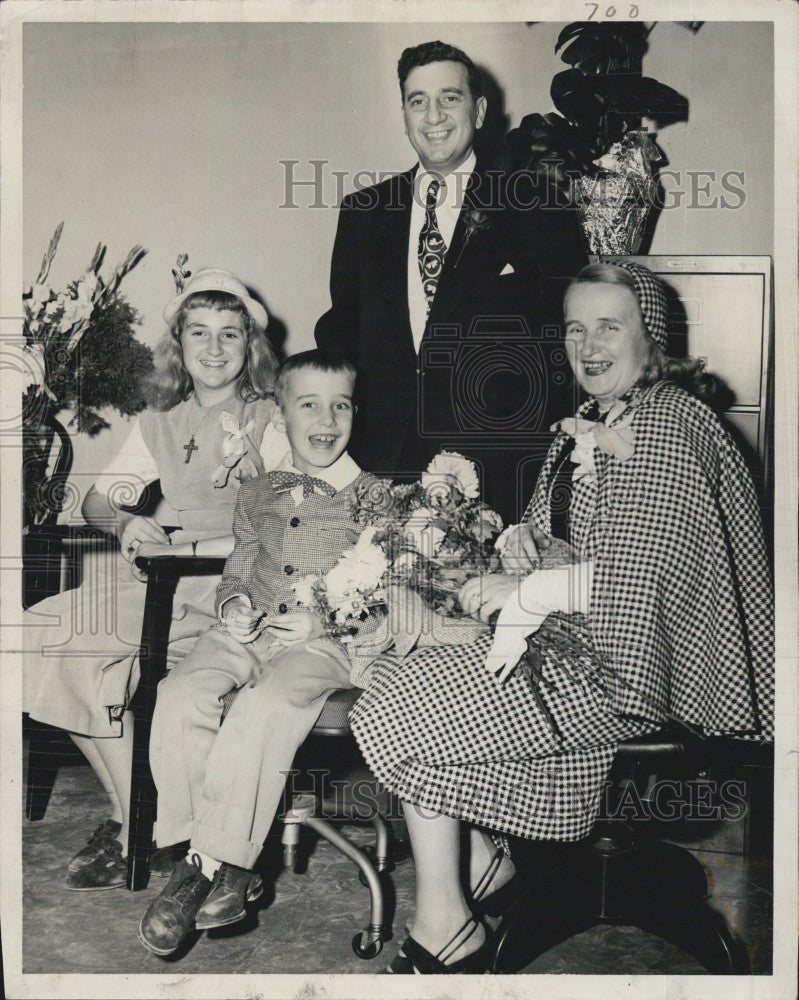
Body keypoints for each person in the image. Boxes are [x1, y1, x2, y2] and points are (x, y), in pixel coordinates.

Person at [349, 261, 774, 974]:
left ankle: (451, 917)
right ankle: (474, 875)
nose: (588, 344)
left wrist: (523, 593)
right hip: (579, 648)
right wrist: (525, 546)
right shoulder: (598, 420)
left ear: (651, 339)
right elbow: (590, 548)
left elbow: (649, 583)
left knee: (396, 711)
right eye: (576, 327)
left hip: (636, 674)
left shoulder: (669, 422)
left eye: (609, 326)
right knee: (396, 679)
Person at [23, 268, 286, 890]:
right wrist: (127, 523)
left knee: (65, 646)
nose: (214, 349)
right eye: (200, 333)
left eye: (230, 335)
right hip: (158, 579)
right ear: (179, 345)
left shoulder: (271, 417)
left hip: (228, 588)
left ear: (251, 348)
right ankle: (131, 819)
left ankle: (137, 827)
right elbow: (96, 502)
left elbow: (291, 518)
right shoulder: (158, 422)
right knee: (38, 643)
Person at [137, 349, 389, 957]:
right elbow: (241, 565)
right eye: (309, 404)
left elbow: (389, 589)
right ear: (280, 416)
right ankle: (207, 860)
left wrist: (325, 617)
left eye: (341, 405)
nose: (326, 418)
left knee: (263, 703)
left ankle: (211, 863)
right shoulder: (258, 491)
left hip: (322, 643)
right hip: (249, 633)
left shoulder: (378, 496)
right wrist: (233, 607)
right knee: (179, 694)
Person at [315, 39, 587, 524]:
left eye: (450, 97)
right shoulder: (364, 213)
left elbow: (562, 341)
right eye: (417, 100)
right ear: (404, 115)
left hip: (496, 471)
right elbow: (341, 334)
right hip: (382, 469)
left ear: (479, 111)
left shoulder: (537, 204)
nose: (433, 115)